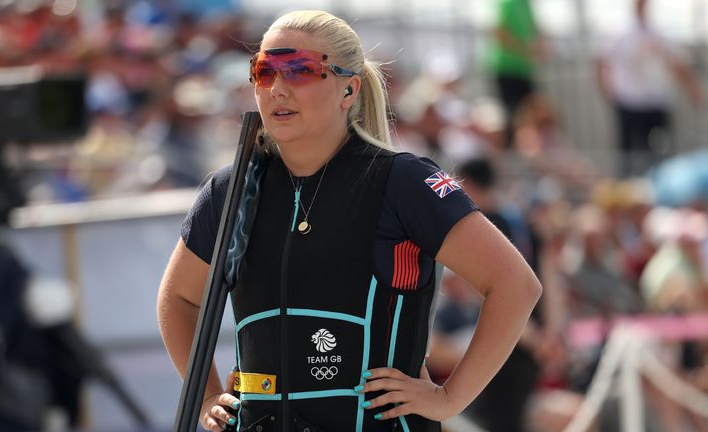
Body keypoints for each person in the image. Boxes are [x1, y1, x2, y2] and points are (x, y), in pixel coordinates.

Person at [157, 10, 541, 432]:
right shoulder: (230, 190)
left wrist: (449, 398)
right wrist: (208, 394)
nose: (278, 88)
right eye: (264, 71)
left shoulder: (403, 180)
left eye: (301, 70)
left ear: (348, 89)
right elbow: (178, 299)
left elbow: (515, 285)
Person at [596, 0, 704, 177]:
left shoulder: (659, 33)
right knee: (629, 157)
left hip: (656, 104)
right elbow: (602, 63)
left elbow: (677, 64)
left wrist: (694, 92)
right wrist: (610, 93)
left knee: (660, 155)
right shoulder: (619, 33)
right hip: (629, 105)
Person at [485, 0, 545, 149]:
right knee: (510, 117)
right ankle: (508, 153)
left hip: (523, 70)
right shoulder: (508, 3)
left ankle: (527, 152)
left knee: (531, 115)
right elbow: (498, 30)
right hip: (506, 69)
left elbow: (535, 31)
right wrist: (524, 50)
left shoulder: (526, 5)